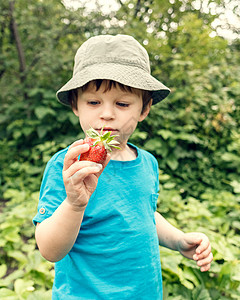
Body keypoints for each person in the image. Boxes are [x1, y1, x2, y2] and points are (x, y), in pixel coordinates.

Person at [33, 34, 213, 300]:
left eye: (122, 103)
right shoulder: (69, 165)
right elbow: (49, 250)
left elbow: (144, 214)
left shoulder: (147, 163)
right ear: (76, 106)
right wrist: (74, 205)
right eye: (94, 102)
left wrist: (177, 240)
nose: (107, 114)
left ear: (144, 109)